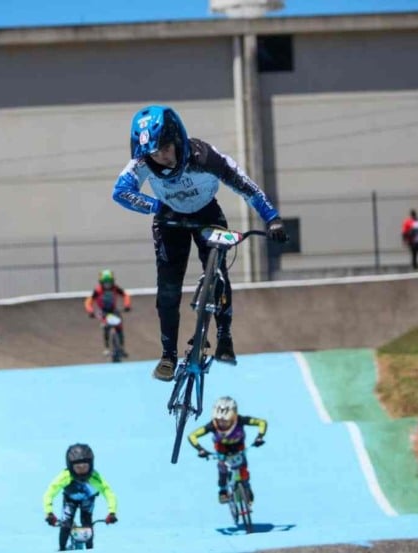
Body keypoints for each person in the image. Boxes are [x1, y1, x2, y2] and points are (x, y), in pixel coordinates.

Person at [113, 105, 288, 382]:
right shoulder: (144, 162)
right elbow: (121, 192)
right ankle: (168, 355)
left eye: (166, 149)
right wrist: (157, 206)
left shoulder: (205, 156)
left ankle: (224, 336)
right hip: (169, 221)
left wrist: (273, 218)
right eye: (155, 153)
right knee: (168, 290)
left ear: (178, 139)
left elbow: (247, 187)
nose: (162, 158)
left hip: (207, 214)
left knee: (219, 276)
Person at [188, 396, 267, 503]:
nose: (222, 424)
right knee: (222, 468)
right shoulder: (212, 426)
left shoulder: (240, 420)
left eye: (226, 421)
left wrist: (259, 437)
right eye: (219, 421)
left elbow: (262, 423)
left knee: (242, 468)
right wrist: (201, 449)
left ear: (234, 417)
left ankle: (246, 485)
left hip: (238, 446)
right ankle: (223, 491)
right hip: (221, 448)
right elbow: (192, 436)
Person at [43, 444, 118, 551]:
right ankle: (62, 549)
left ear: (91, 465)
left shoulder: (95, 477)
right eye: (78, 468)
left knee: (87, 526)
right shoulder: (65, 476)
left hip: (87, 500)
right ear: (70, 466)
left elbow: (108, 493)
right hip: (70, 500)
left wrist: (112, 512)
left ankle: (90, 550)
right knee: (66, 525)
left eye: (85, 467)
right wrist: (49, 513)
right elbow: (49, 493)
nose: (82, 471)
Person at [84, 269, 132, 356]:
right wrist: (90, 311)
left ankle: (121, 347)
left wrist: (127, 305)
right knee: (106, 328)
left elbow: (125, 295)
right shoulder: (98, 291)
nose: (107, 285)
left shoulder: (115, 288)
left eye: (109, 282)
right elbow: (89, 301)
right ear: (101, 282)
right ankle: (107, 348)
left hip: (114, 310)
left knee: (119, 327)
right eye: (105, 283)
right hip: (103, 312)